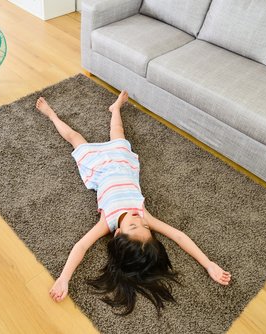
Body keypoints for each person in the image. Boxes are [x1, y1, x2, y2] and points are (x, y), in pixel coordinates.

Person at [35, 90, 231, 315]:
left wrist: (64, 278)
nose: (140, 221)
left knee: (75, 137)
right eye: (146, 227)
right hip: (122, 162)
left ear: (118, 233)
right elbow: (178, 235)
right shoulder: (142, 215)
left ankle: (51, 115)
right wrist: (208, 263)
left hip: (98, 168)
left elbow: (80, 246)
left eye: (134, 226)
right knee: (117, 132)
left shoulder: (107, 221)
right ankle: (115, 108)